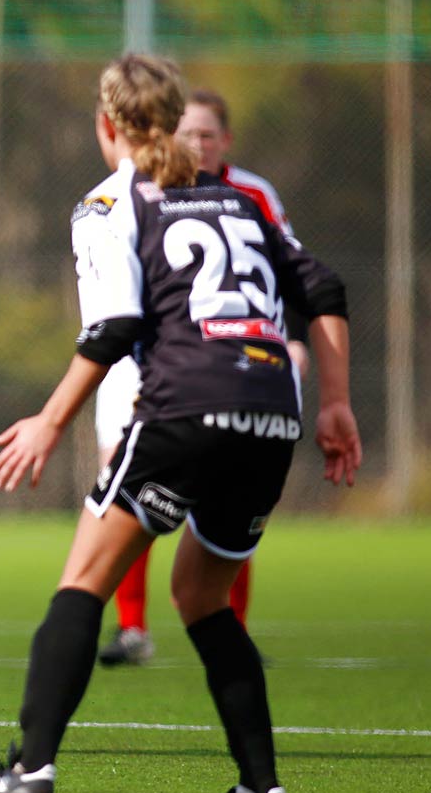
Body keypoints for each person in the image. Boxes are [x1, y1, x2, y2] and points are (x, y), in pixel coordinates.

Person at [0, 54, 361, 793]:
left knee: (81, 584)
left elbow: (117, 326)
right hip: (271, 415)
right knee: (202, 597)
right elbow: (323, 288)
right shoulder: (240, 200)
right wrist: (335, 403)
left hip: (186, 405)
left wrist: (49, 420)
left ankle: (28, 772)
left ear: (108, 126)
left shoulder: (110, 203)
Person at [95, 88, 309, 667]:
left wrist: (294, 343)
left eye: (207, 134)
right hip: (140, 359)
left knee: (225, 499)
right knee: (124, 479)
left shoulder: (252, 195)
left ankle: (227, 628)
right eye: (186, 133)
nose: (196, 143)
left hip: (227, 367)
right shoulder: (136, 193)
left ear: (226, 141)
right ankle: (132, 628)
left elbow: (295, 278)